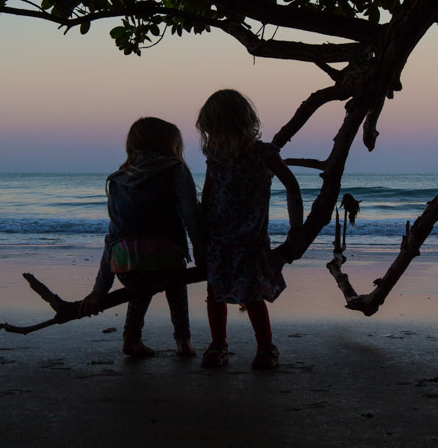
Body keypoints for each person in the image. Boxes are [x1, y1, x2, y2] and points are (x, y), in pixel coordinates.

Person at [196, 89, 304, 369]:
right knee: (214, 294)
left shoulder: (264, 154)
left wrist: (296, 229)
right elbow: (208, 196)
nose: (214, 138)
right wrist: (199, 236)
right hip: (218, 238)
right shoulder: (215, 156)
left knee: (254, 296)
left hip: (251, 240)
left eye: (215, 130)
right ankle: (218, 344)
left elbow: (292, 186)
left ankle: (267, 347)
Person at [80, 117, 204, 357]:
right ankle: (183, 340)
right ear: (169, 146)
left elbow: (113, 236)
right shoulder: (176, 171)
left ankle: (131, 338)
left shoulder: (117, 180)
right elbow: (191, 216)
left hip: (126, 268)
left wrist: (99, 290)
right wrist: (202, 254)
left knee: (141, 278)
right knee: (174, 280)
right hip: (166, 264)